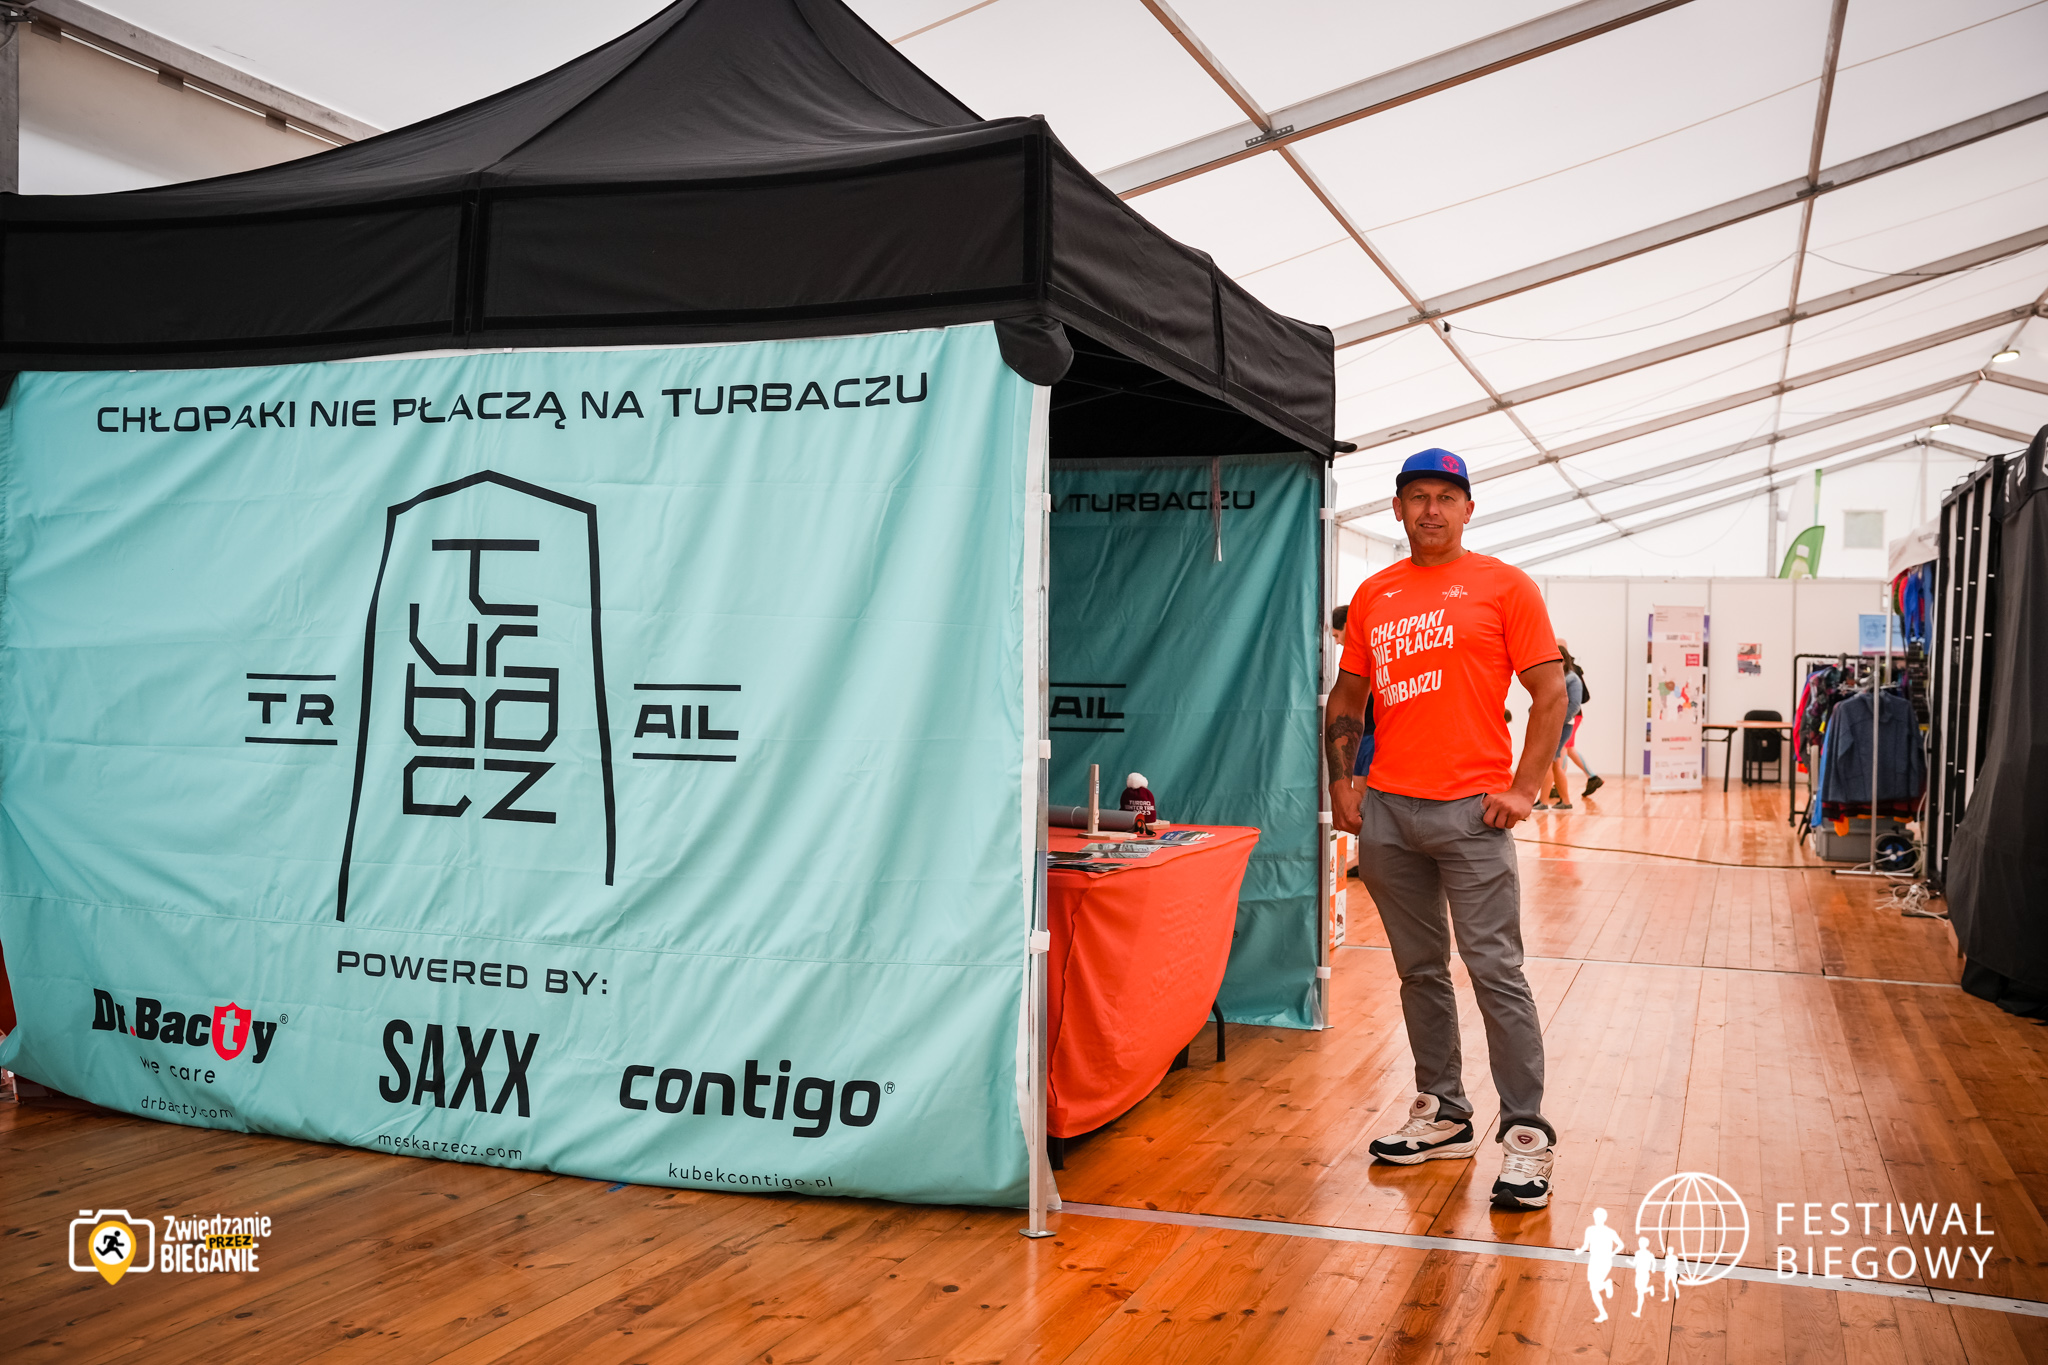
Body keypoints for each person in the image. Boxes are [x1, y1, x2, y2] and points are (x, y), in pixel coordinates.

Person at [1326, 448, 1568, 1211]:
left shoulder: (1505, 586)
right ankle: (1445, 1112)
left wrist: (1525, 786)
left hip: (1472, 812)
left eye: (1446, 497)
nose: (1431, 509)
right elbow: (1348, 695)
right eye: (1418, 496)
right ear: (1397, 508)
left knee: (1496, 971)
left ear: (1468, 508)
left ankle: (1526, 1134)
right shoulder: (1375, 593)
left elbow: (1551, 690)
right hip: (1390, 812)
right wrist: (1341, 780)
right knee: (1419, 970)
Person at [1538, 641, 1597, 809]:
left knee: (1553, 761)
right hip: (1556, 724)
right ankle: (1559, 801)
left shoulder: (1572, 678)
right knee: (1555, 763)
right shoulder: (1559, 677)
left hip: (1563, 725)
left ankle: (1547, 801)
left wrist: (1557, 722)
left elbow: (1574, 705)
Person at [1575, 1208, 1625, 1322]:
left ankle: (1603, 1311)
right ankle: (1606, 1287)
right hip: (1598, 1260)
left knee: (1594, 1288)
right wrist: (1612, 1254)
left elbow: (1585, 1246)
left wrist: (1611, 1254)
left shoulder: (1592, 1230)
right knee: (1594, 1287)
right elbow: (1620, 1245)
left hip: (1600, 1260)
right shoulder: (1606, 1231)